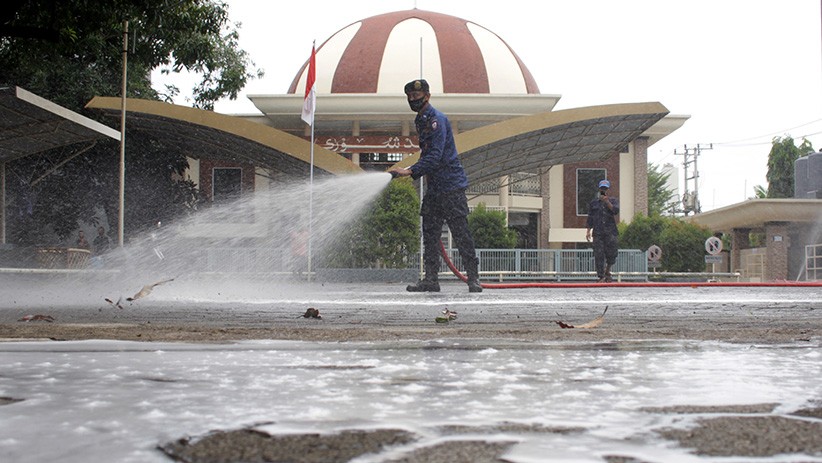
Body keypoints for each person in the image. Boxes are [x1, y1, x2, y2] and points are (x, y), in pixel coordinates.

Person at [389, 79, 482, 293]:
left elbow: (435, 156)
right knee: (430, 233)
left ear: (428, 96)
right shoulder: (421, 119)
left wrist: (410, 171)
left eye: (417, 96)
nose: (414, 100)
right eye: (410, 97)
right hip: (435, 188)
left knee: (461, 233)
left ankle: (473, 278)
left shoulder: (436, 120)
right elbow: (428, 154)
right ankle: (431, 279)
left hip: (451, 185)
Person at [586, 179, 620, 282]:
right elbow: (590, 217)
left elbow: (615, 211)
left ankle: (607, 270)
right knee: (598, 254)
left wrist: (607, 202)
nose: (603, 190)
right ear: (599, 189)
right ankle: (601, 276)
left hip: (610, 231)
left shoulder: (613, 200)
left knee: (612, 252)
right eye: (602, 188)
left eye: (605, 188)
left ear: (608, 189)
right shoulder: (594, 203)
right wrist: (588, 231)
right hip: (598, 232)